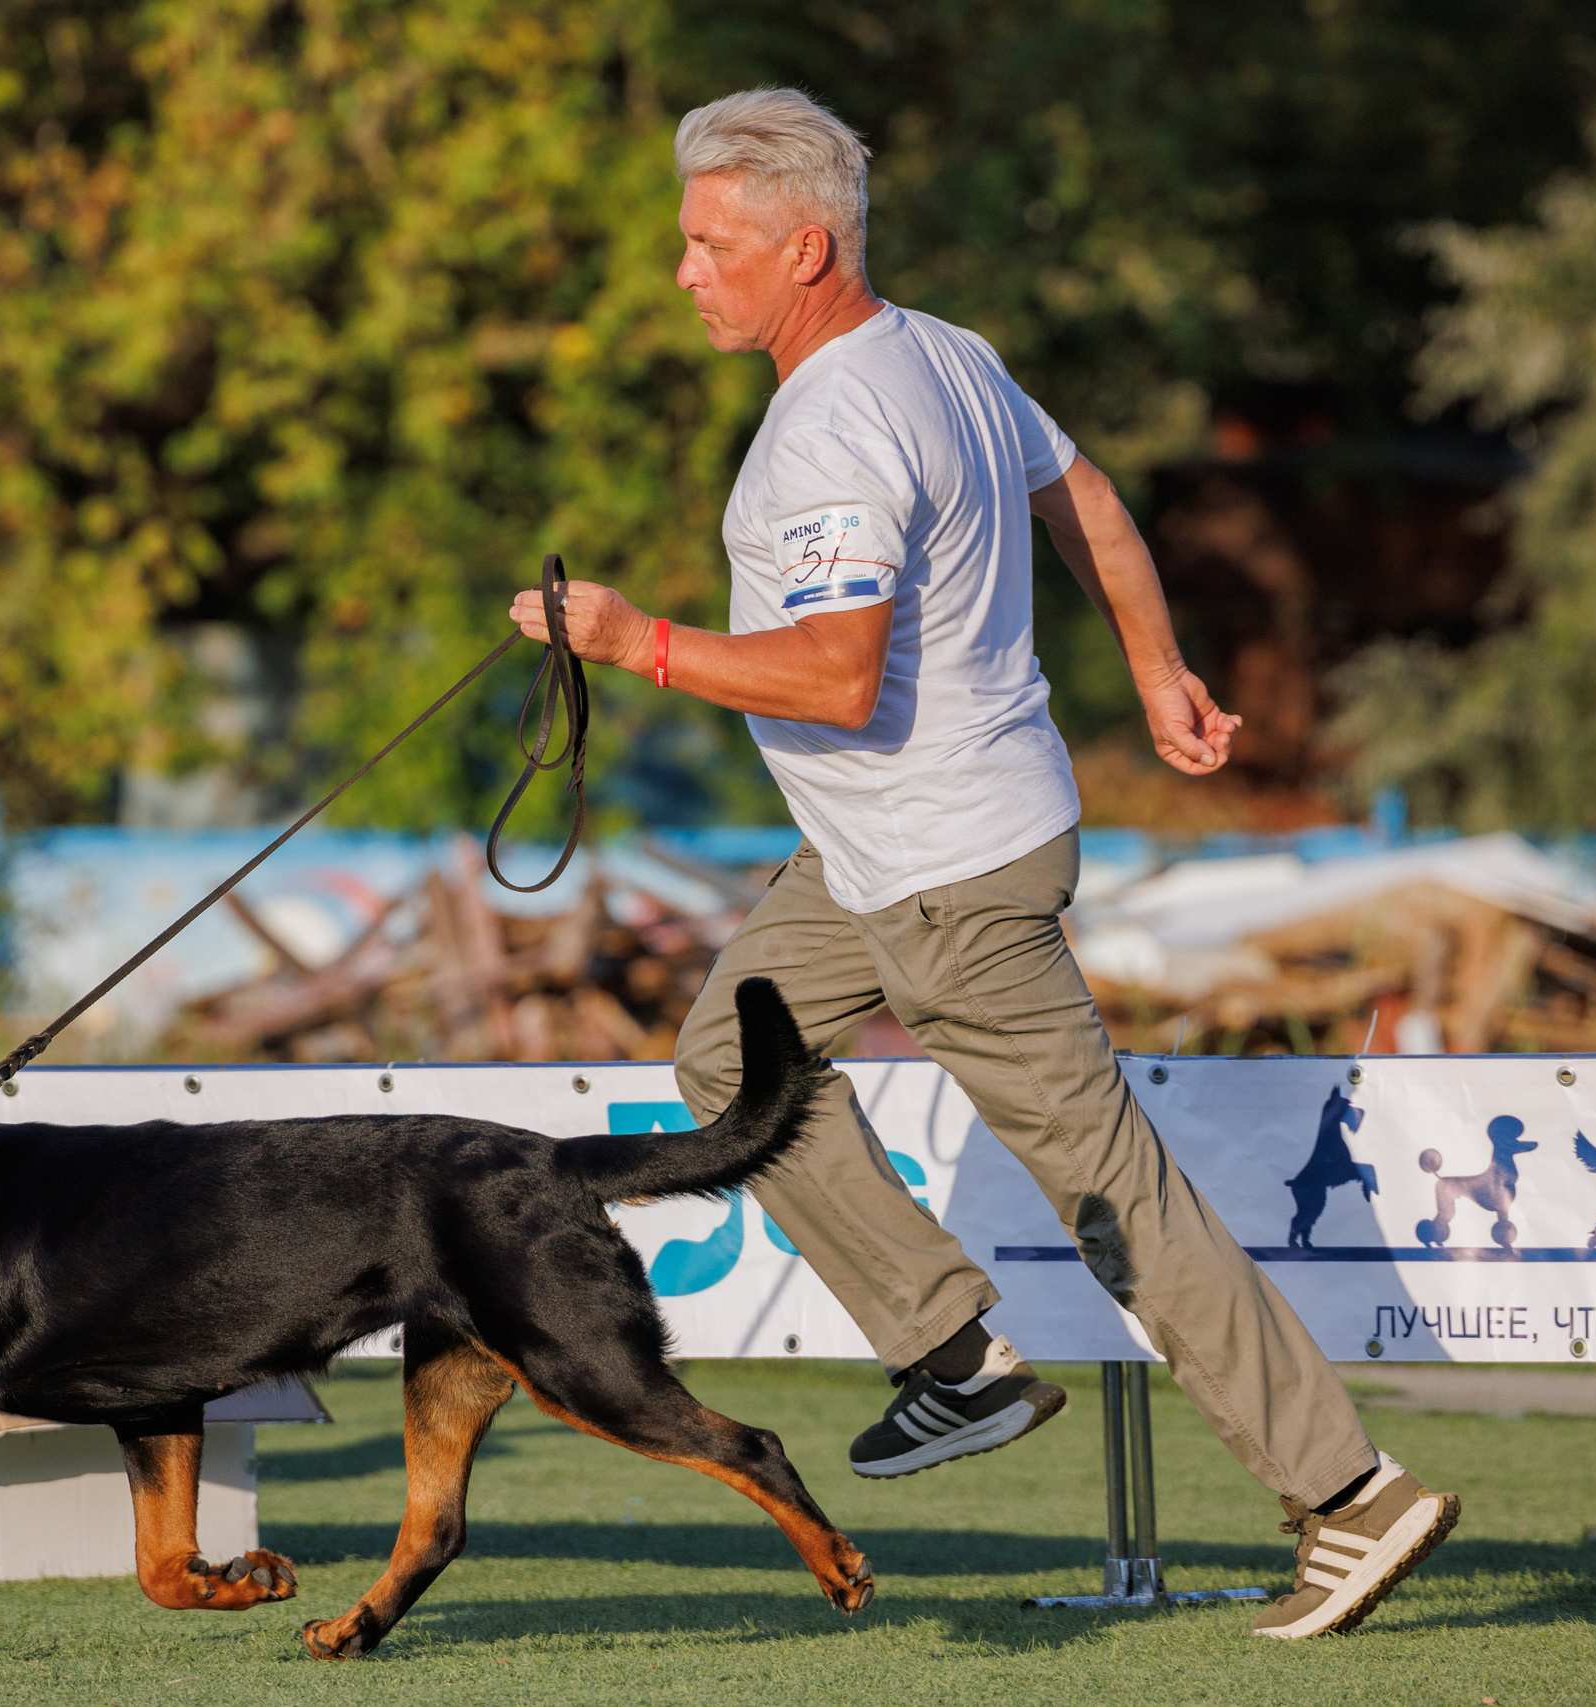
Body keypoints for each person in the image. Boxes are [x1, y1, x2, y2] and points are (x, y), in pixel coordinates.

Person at [509, 88, 1454, 1639]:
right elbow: (1081, 493)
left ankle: (1352, 1494)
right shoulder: (944, 351)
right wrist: (1156, 668)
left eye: (709, 242)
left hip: (946, 878)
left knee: (1119, 1199)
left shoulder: (835, 420)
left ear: (803, 246)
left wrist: (637, 640)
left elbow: (835, 677)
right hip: (893, 850)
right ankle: (953, 1358)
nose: (684, 270)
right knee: (724, 1053)